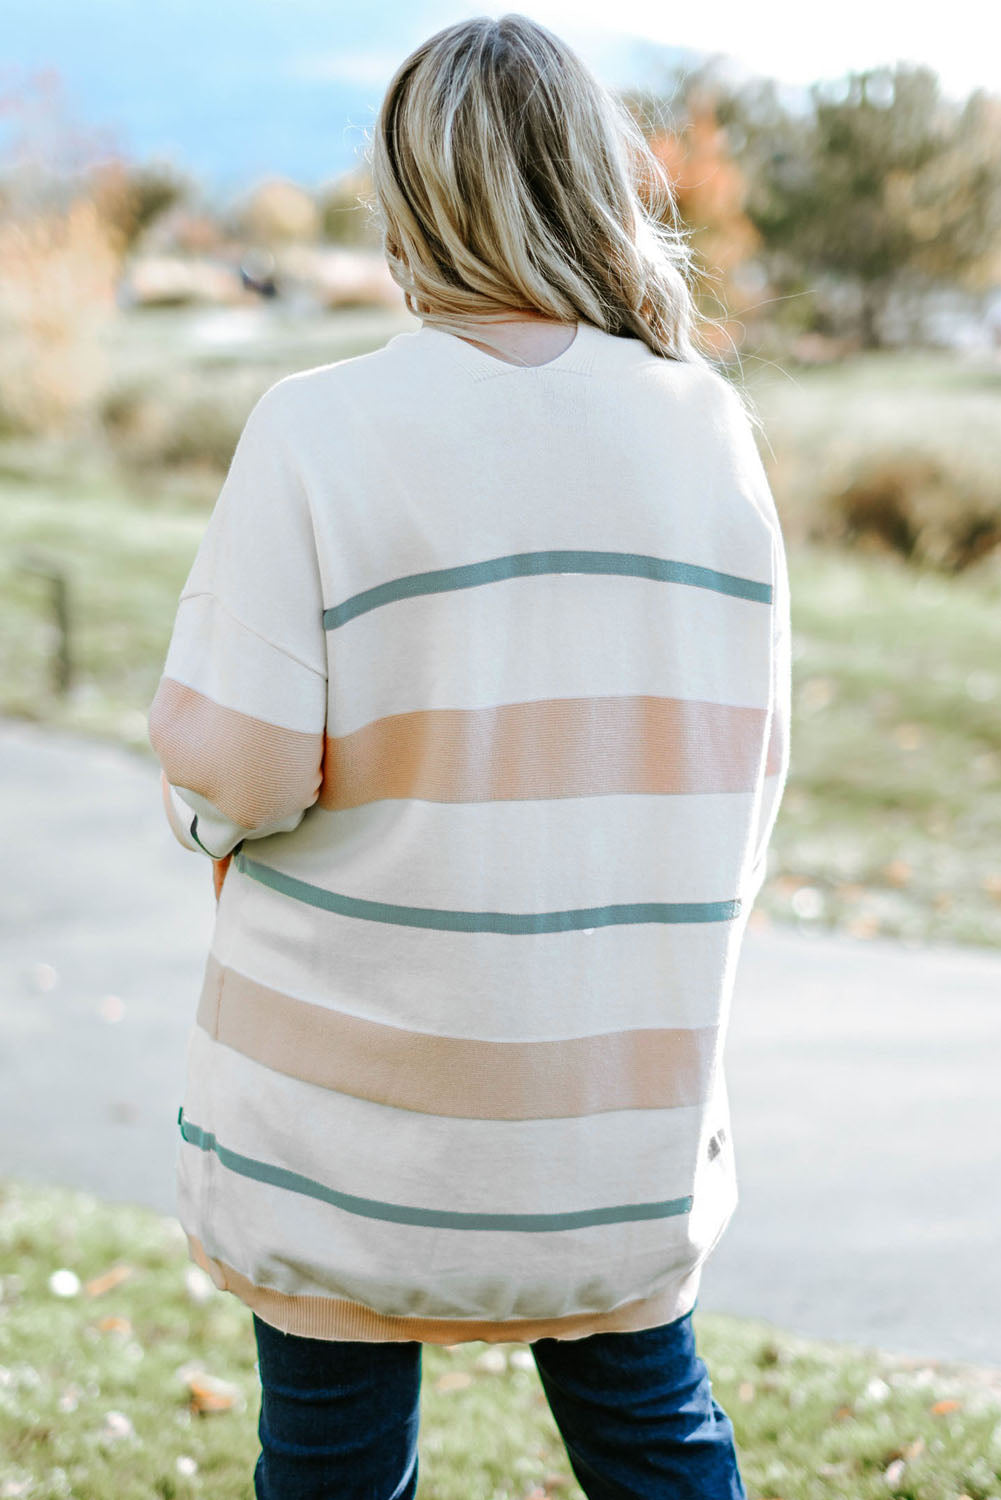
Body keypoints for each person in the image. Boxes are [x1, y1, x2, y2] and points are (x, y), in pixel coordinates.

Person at [147, 12, 791, 1499]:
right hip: (609, 1101)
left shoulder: (319, 430)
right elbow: (740, 774)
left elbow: (238, 772)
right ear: (593, 182)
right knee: (654, 1440)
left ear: (408, 198)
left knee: (330, 1458)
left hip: (351, 1109)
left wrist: (201, 823)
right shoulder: (708, 430)